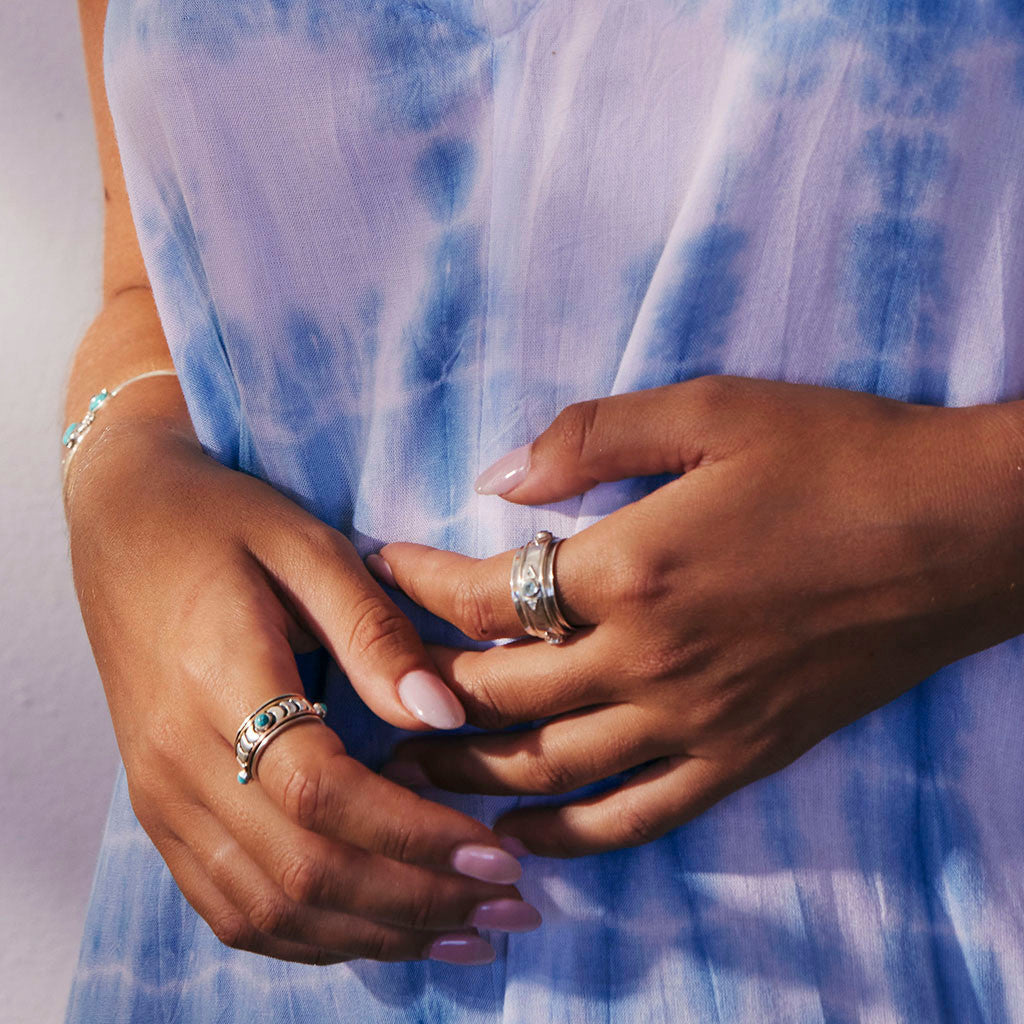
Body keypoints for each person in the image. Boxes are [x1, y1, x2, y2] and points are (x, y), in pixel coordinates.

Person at [63, 0, 1024, 1020]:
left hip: (893, 916)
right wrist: (123, 479)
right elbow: (150, 284)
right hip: (274, 936)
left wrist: (962, 529)